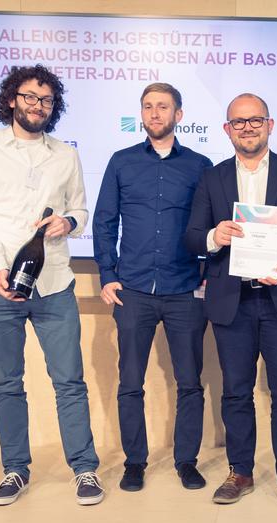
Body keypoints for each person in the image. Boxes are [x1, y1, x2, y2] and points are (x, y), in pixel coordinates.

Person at [0, 64, 103, 506]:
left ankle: (84, 470)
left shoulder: (65, 154)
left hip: (55, 285)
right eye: (28, 96)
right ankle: (15, 470)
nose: (36, 105)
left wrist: (69, 221)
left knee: (70, 382)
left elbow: (81, 212)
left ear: (52, 106)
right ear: (10, 99)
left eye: (45, 99)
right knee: (7, 383)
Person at [184, 93, 277, 515]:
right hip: (233, 302)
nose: (247, 128)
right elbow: (192, 236)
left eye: (255, 120)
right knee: (236, 392)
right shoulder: (213, 177)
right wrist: (215, 236)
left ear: (270, 124)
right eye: (238, 122)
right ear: (227, 130)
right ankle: (240, 472)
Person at [93, 83, 212, 492]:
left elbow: (212, 225)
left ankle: (186, 460)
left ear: (179, 115)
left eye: (163, 107)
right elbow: (104, 222)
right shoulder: (121, 162)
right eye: (148, 107)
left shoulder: (200, 166)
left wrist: (209, 268)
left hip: (185, 289)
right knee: (130, 382)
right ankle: (134, 462)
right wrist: (107, 274)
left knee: (190, 381)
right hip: (134, 289)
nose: (155, 113)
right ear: (141, 115)